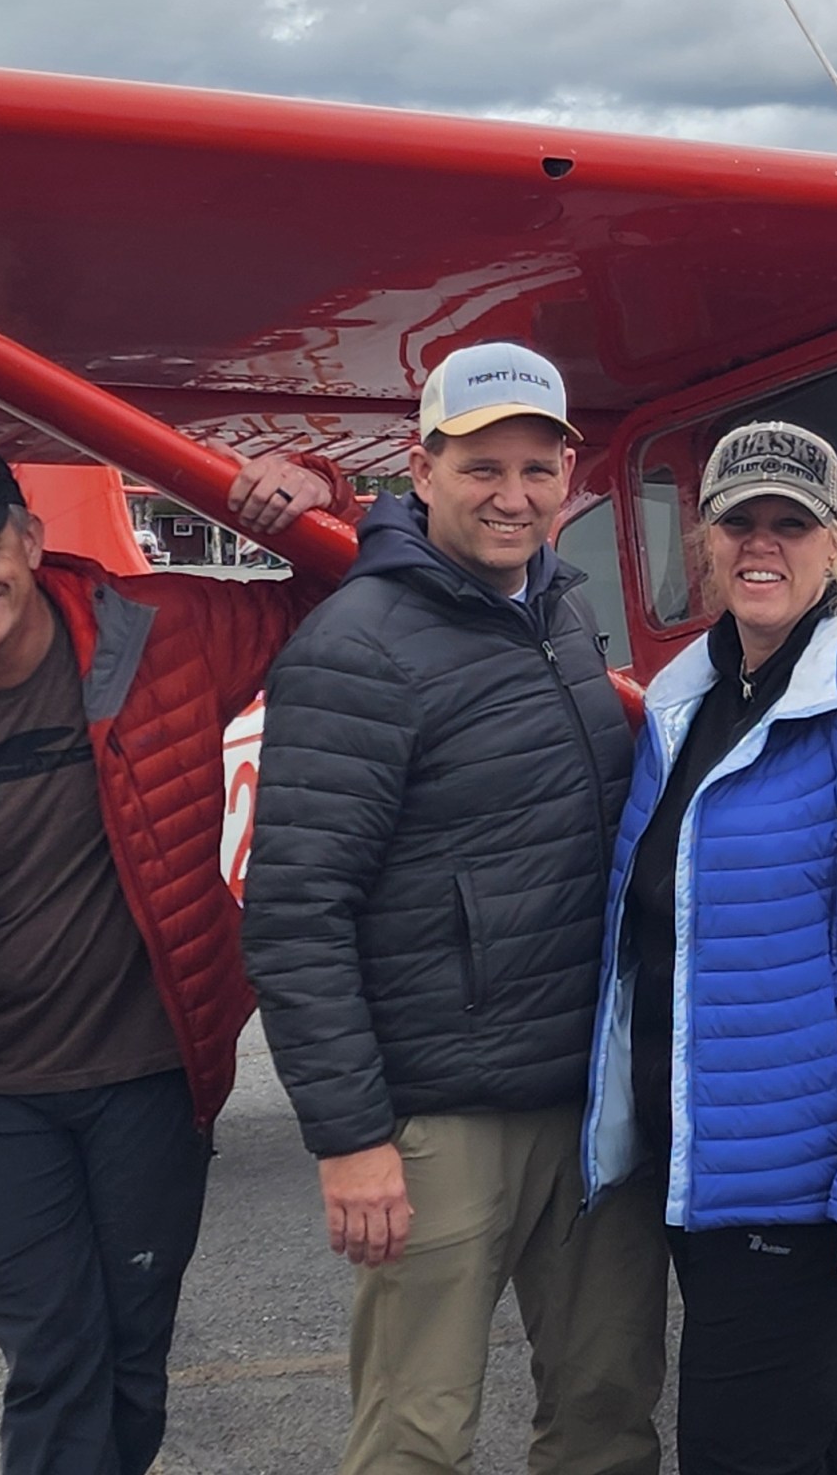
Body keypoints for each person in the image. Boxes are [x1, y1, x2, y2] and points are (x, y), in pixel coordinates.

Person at [241, 342, 666, 1475]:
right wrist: (352, 1141)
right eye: (482, 466)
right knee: (417, 1433)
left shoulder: (562, 618)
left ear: (568, 477)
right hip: (442, 1117)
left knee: (608, 1407)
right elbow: (296, 911)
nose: (512, 496)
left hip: (588, 1101)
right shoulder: (356, 647)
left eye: (537, 468)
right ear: (419, 469)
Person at [0, 438, 358, 1475]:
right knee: (54, 1360)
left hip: (150, 1079)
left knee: (131, 1355)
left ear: (30, 538)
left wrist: (314, 489)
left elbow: (342, 586)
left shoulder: (159, 633)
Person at [581, 420, 837, 1475]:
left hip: (815, 1190)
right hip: (714, 1172)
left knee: (737, 1452)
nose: (762, 544)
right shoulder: (688, 704)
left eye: (792, 523)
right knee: (830, 1445)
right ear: (706, 545)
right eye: (739, 522)